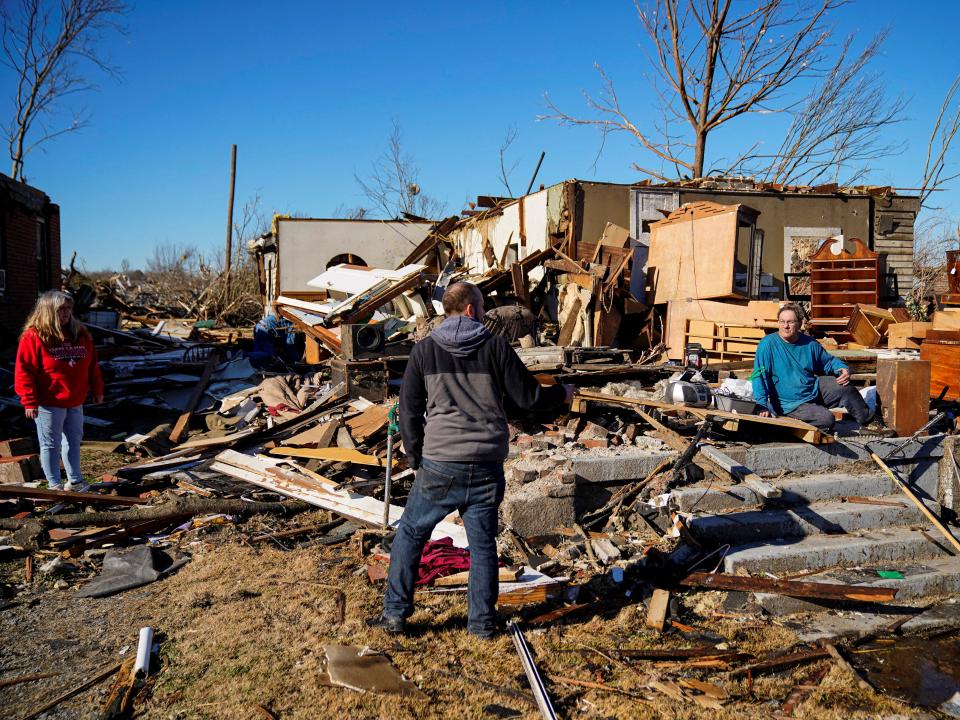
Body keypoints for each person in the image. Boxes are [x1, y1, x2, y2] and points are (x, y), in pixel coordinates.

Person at [369, 282, 573, 638]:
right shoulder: (495, 347)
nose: (483, 314)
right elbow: (528, 398)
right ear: (469, 310)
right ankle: (480, 625)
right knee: (481, 546)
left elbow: (410, 410)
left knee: (410, 536)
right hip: (485, 464)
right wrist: (562, 394)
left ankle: (394, 616)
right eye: (480, 308)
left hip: (439, 464)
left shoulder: (424, 351)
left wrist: (415, 456)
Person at [14, 290, 104, 492]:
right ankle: (54, 484)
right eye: (60, 309)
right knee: (50, 444)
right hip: (48, 401)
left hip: (75, 399)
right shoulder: (34, 336)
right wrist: (28, 400)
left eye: (68, 308)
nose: (66, 313)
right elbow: (24, 371)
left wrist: (97, 388)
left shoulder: (79, 334)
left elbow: (92, 365)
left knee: (73, 441)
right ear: (48, 311)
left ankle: (75, 480)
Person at [752, 302, 870, 432]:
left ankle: (868, 422)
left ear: (799, 324)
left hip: (812, 390)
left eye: (790, 322)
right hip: (790, 404)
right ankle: (794, 420)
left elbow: (828, 362)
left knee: (844, 387)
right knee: (826, 419)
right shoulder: (767, 344)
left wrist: (842, 368)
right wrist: (761, 405)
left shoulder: (810, 343)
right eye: (782, 321)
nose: (785, 326)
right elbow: (759, 377)